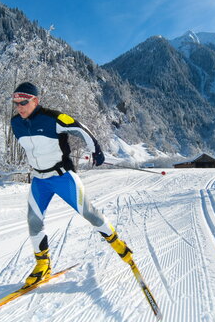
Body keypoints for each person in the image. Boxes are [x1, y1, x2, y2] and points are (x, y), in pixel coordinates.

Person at [10, 82, 134, 287]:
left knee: (89, 213)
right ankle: (43, 265)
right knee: (33, 220)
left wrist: (96, 149)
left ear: (35, 101)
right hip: (39, 181)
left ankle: (119, 245)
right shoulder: (16, 123)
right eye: (16, 103)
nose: (20, 107)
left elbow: (79, 127)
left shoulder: (53, 117)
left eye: (24, 102)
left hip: (62, 177)